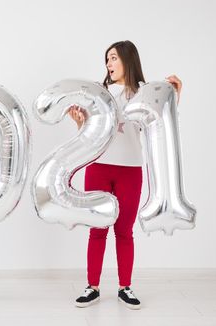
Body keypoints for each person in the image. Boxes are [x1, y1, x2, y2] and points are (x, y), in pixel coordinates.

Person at [69, 40, 182, 310]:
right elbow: (90, 136)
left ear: (128, 61)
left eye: (114, 58)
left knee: (124, 231)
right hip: (98, 167)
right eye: (107, 59)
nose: (109, 64)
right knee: (98, 229)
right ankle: (92, 287)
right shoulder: (99, 94)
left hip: (130, 170)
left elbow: (162, 125)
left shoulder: (143, 93)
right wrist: (79, 123)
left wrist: (176, 96)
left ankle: (125, 287)